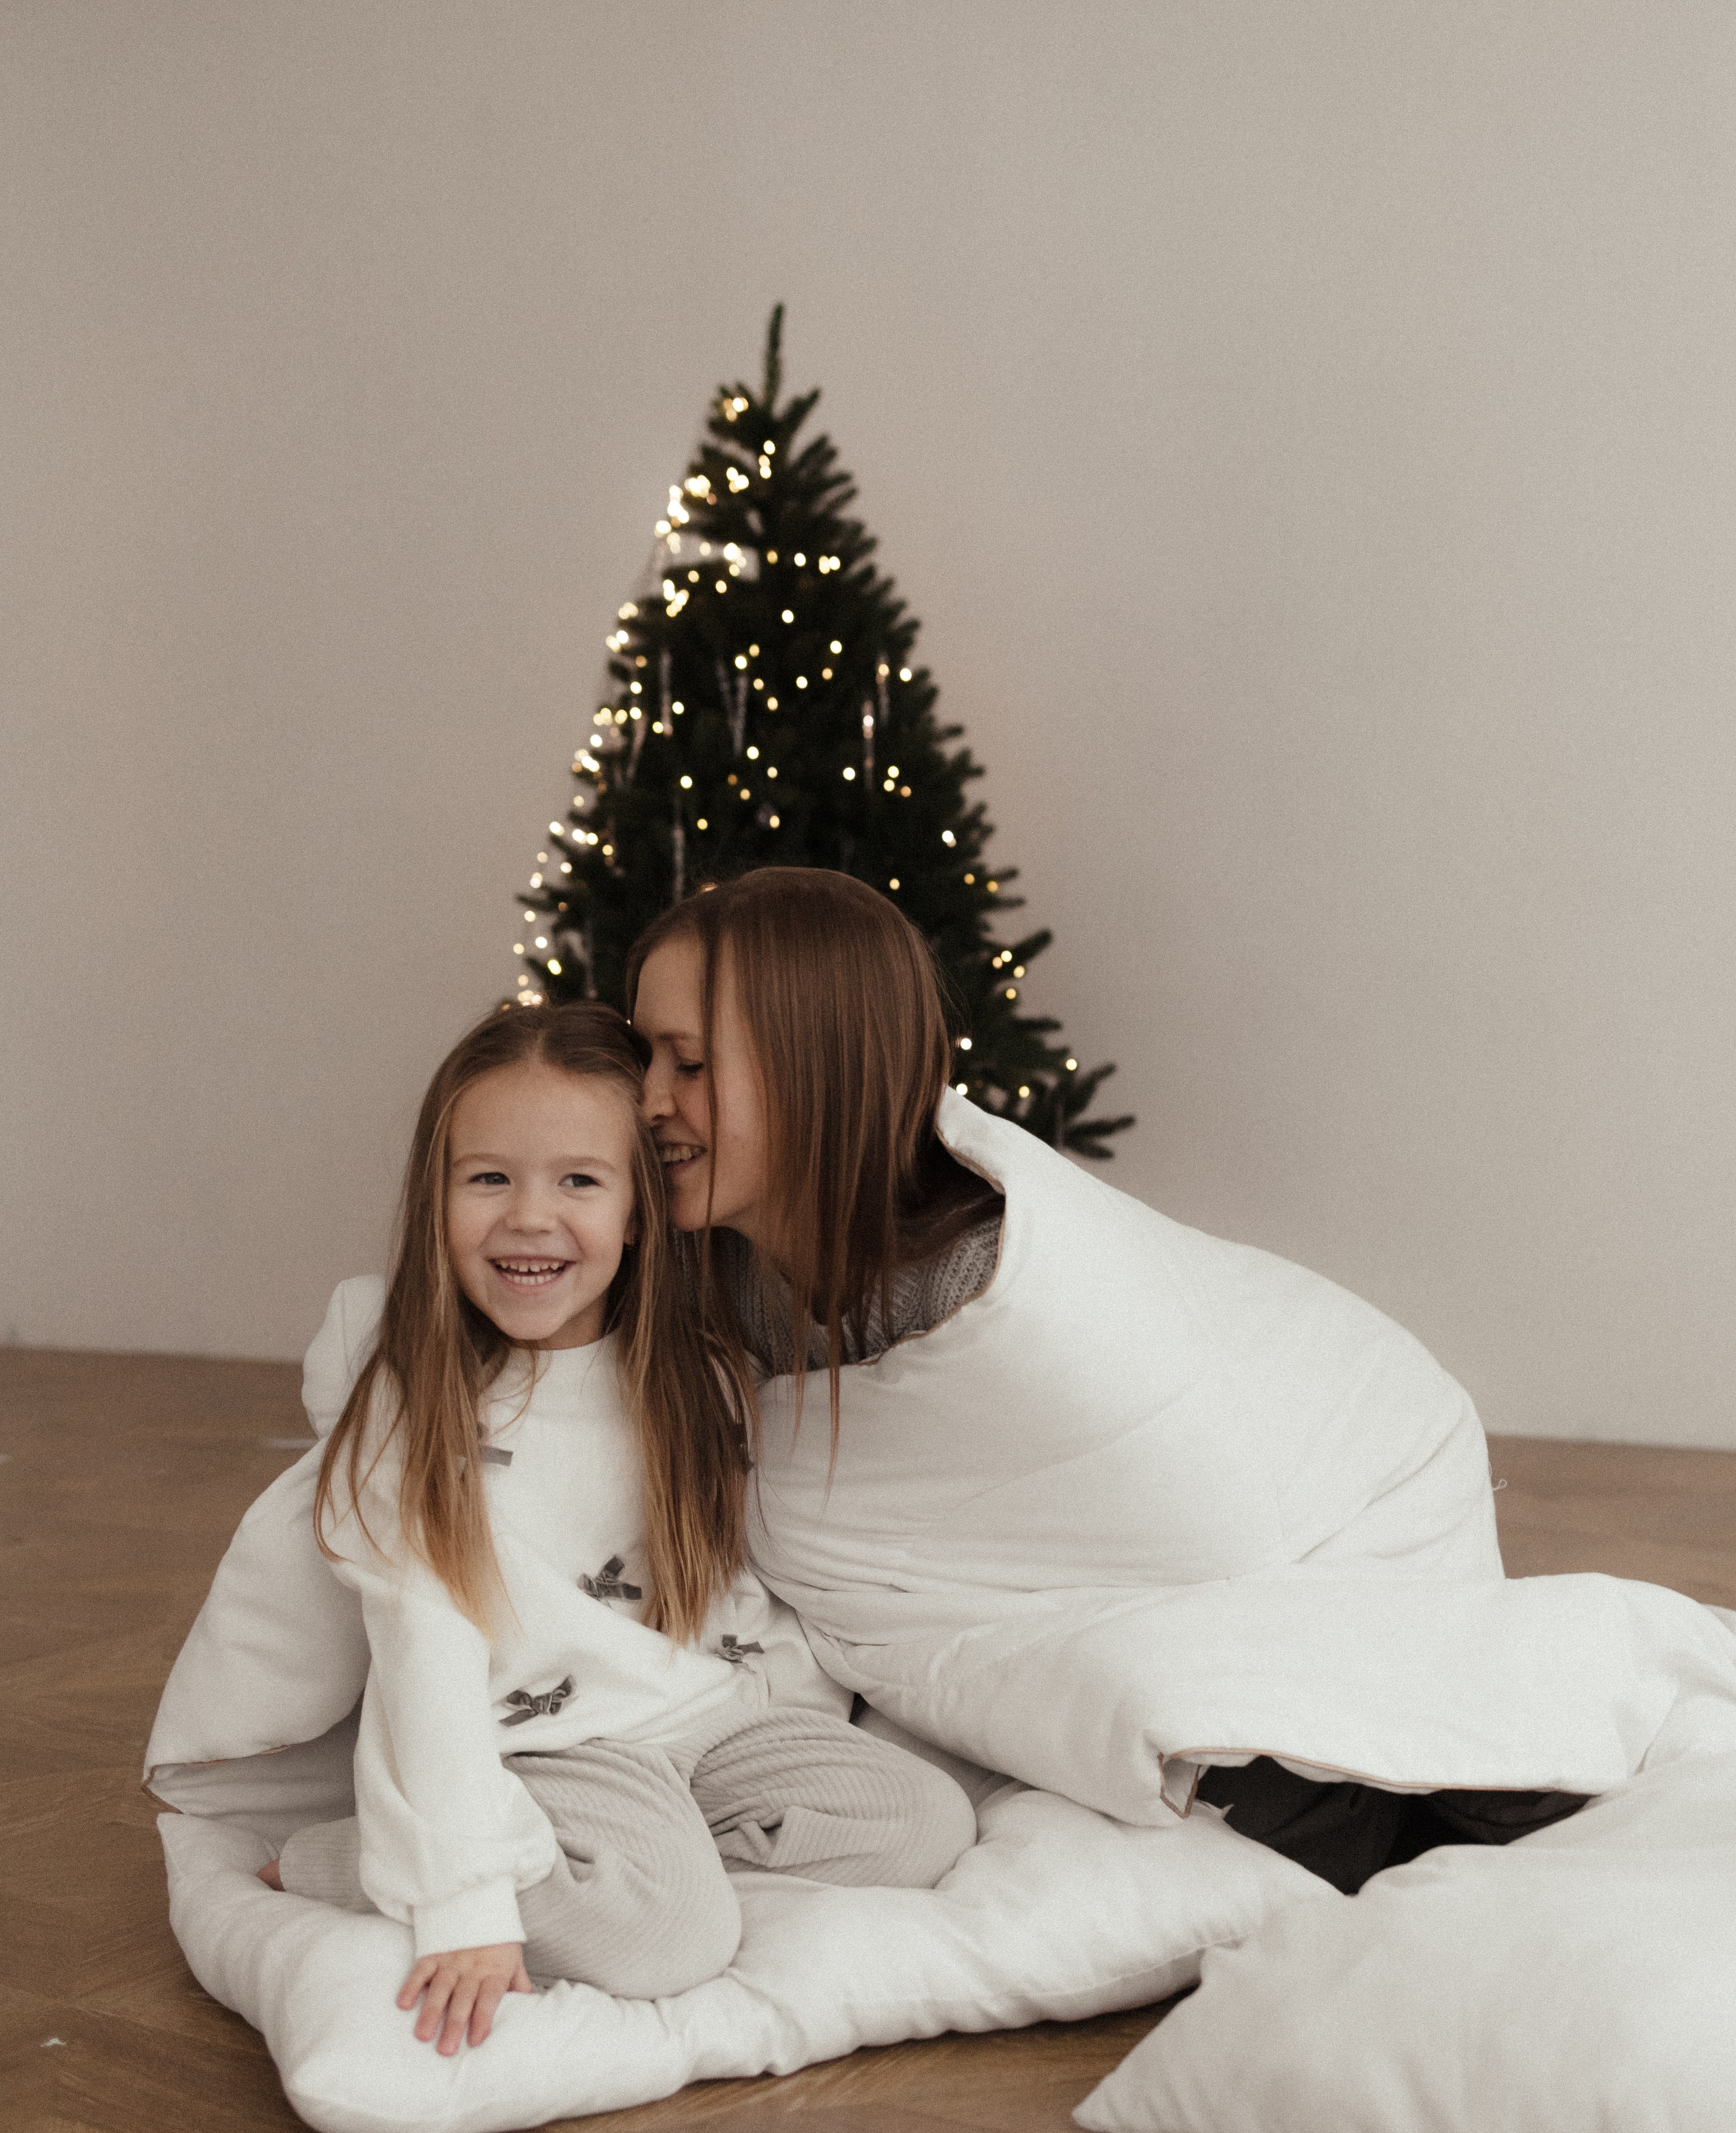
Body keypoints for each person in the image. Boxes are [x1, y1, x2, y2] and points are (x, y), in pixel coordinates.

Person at [628, 867, 1588, 1894]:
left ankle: (1484, 1765)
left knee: (1163, 1703)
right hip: (1133, 1542)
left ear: (816, 1071)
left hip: (1341, 1472)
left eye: (687, 1063)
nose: (648, 1101)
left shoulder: (989, 1288)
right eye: (642, 1055)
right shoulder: (703, 1256)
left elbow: (1209, 1527)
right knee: (1080, 1709)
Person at [237, 1000, 974, 2056]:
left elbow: (730, 1585)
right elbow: (424, 1647)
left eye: (579, 1181)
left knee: (921, 1820)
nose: (531, 1218)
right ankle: (359, 1858)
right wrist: (464, 1903)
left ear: (638, 1210)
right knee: (669, 1940)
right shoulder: (413, 1388)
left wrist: (789, 1708)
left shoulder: (696, 1369)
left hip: (701, 1722)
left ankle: (627, 1853)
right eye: (488, 1178)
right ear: (435, 1198)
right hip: (555, 1741)